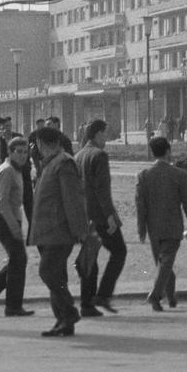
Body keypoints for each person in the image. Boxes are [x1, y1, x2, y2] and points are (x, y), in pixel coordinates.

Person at [28, 126, 91, 338]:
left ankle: (69, 312)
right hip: (47, 232)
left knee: (47, 272)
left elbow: (73, 200)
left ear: (40, 143)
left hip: (58, 231)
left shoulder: (63, 163)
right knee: (57, 276)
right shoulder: (49, 163)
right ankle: (63, 321)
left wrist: (80, 230)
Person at [135, 136, 187, 311]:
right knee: (166, 262)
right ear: (168, 151)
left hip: (153, 228)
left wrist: (141, 230)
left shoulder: (143, 175)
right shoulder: (179, 174)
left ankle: (170, 297)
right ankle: (155, 295)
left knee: (163, 263)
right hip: (173, 226)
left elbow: (140, 206)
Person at [0, 135, 34, 317]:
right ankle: (11, 305)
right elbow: (2, 202)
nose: (23, 155)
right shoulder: (8, 171)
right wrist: (14, 227)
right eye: (19, 152)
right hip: (5, 221)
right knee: (19, 260)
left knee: (18, 261)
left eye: (25, 152)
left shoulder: (15, 169)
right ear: (10, 152)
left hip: (9, 219)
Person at [74, 119, 126, 316]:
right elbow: (102, 190)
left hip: (84, 217)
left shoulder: (79, 155)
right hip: (100, 217)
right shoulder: (99, 155)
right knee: (119, 251)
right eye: (105, 133)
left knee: (90, 258)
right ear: (97, 134)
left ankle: (87, 304)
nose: (107, 137)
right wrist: (110, 217)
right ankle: (103, 294)